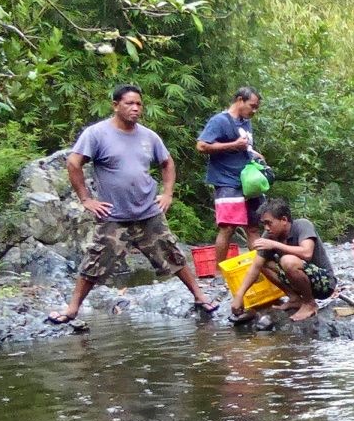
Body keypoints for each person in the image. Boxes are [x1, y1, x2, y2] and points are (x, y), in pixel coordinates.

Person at [46, 84, 217, 325]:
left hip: (148, 212)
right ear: (115, 105)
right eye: (129, 103)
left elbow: (167, 163)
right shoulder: (96, 134)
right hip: (114, 215)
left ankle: (200, 297)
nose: (135, 108)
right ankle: (72, 309)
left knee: (172, 253)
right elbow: (74, 163)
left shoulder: (149, 136)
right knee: (95, 262)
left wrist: (167, 194)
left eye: (139, 104)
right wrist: (86, 199)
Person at [230, 198, 335, 322]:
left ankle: (309, 303)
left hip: (323, 283)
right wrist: (239, 295)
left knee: (288, 261)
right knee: (262, 262)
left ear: (284, 220)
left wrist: (275, 245)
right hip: (298, 281)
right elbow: (256, 267)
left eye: (269, 223)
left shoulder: (302, 225)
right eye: (264, 224)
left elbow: (307, 253)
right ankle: (294, 298)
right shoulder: (269, 235)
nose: (267, 228)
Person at [196, 87, 264, 263]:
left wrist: (254, 153)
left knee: (254, 227)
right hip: (226, 180)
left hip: (249, 181)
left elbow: (243, 146)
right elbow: (202, 146)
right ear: (240, 100)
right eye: (252, 106)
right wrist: (233, 145)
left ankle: (260, 269)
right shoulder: (219, 121)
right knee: (228, 228)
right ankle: (219, 273)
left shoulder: (246, 121)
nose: (254, 111)